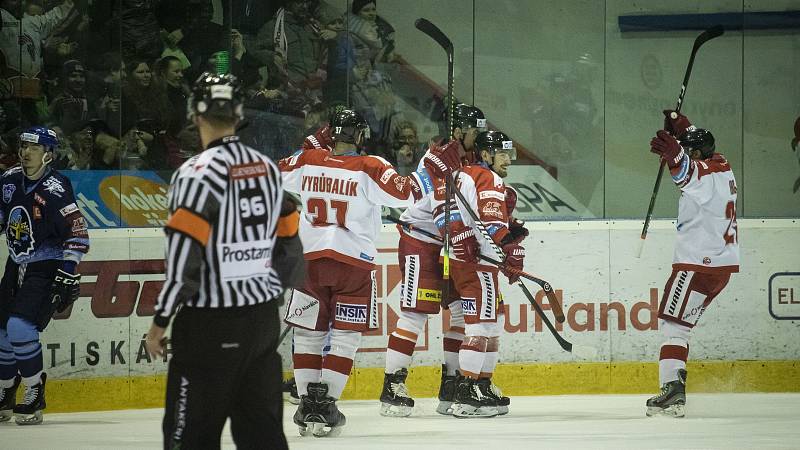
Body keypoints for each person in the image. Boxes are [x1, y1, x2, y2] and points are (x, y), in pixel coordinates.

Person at [279, 107, 461, 437]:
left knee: (308, 335)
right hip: (353, 263)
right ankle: (328, 403)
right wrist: (431, 165)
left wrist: (311, 143)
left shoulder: (308, 160)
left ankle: (307, 403)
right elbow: (407, 192)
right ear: (361, 136)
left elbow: (279, 170)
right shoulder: (370, 166)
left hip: (309, 262)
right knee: (345, 338)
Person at [145, 72, 299, 450]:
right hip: (262, 321)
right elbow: (291, 242)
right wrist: (270, 291)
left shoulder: (194, 174)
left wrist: (160, 322)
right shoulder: (267, 168)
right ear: (240, 112)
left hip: (208, 326)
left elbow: (184, 260)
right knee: (263, 436)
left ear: (195, 114)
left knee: (190, 437)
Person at [379, 103, 489, 417]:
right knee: (415, 313)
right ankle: (392, 385)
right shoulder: (438, 157)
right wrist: (461, 238)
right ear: (459, 130)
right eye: (473, 130)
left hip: (448, 246)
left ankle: (450, 385)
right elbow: (442, 210)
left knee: (458, 312)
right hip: (421, 240)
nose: (477, 135)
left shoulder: (467, 159)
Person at [644, 111, 739, 418]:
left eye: (689, 148)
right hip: (721, 266)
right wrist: (681, 125)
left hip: (696, 264)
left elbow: (685, 171)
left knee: (673, 326)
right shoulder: (721, 164)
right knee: (679, 324)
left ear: (696, 153)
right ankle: (673, 388)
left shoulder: (703, 177)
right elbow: (696, 151)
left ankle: (672, 389)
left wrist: (675, 153)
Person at [0, 126, 90, 425]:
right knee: (1, 332)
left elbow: (77, 232)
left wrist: (67, 270)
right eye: (24, 146)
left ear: (48, 154)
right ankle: (5, 391)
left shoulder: (56, 187)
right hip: (16, 263)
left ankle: (34, 390)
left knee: (20, 329)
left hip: (46, 265)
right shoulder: (9, 179)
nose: (26, 152)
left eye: (34, 148)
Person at [438, 130, 525, 418]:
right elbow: (489, 220)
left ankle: (482, 384)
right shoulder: (487, 177)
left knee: (494, 320)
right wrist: (509, 245)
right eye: (502, 154)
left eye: (509, 154)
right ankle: (467, 391)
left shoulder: (464, 173)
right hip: (477, 263)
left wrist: (508, 230)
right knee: (481, 325)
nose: (508, 161)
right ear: (486, 154)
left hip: (463, 260)